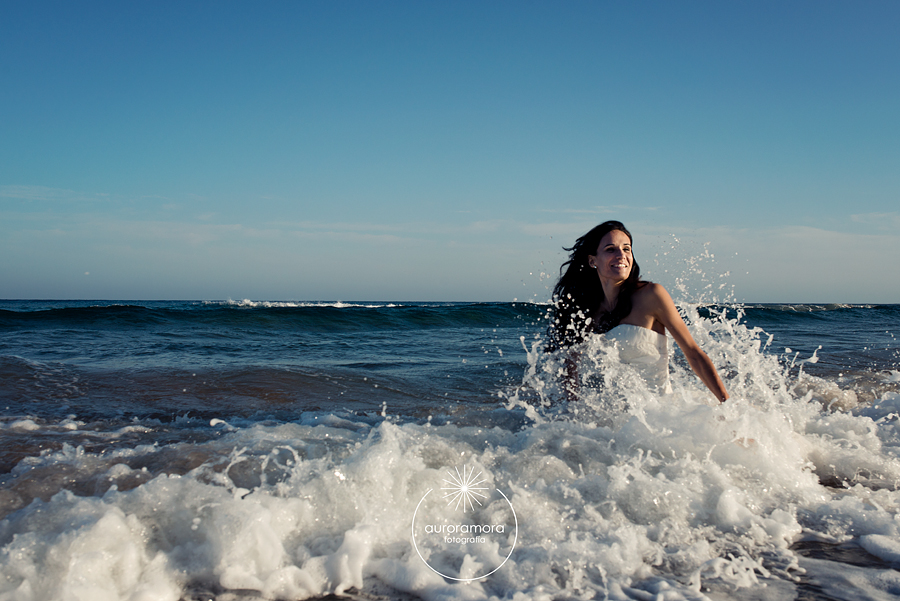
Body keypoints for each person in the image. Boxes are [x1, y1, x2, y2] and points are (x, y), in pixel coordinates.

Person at [548, 221, 729, 403]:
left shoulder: (651, 295)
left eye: (627, 249)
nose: (621, 255)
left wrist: (727, 405)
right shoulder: (586, 310)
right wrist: (569, 418)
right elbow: (570, 369)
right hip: (605, 424)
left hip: (657, 420)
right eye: (611, 249)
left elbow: (693, 352)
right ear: (592, 260)